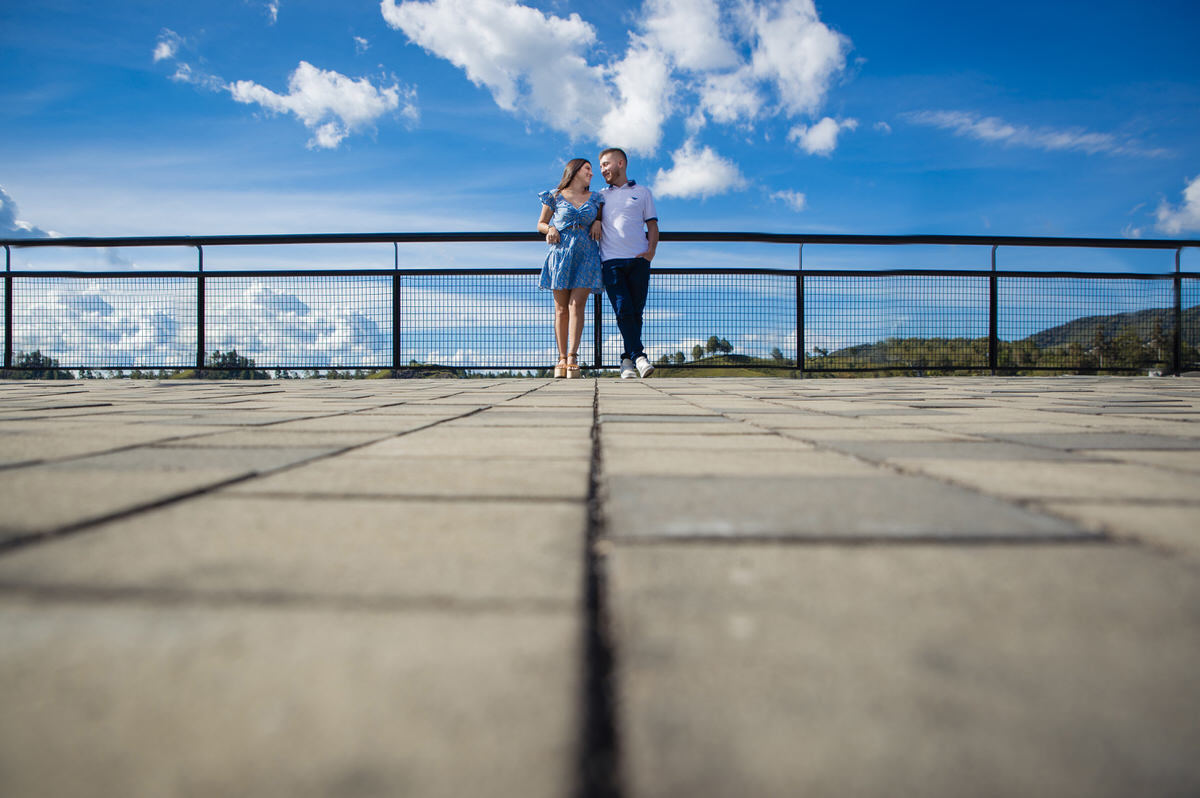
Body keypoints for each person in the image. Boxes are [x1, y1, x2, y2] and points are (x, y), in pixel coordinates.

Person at [537, 158, 604, 378]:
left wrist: (597, 222)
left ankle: (573, 357)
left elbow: (601, 218)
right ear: (574, 171)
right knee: (561, 309)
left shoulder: (596, 199)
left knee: (577, 306)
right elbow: (540, 224)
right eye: (587, 169)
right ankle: (561, 358)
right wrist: (551, 228)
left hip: (586, 255)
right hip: (560, 254)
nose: (592, 174)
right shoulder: (554, 195)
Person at [598, 147, 658, 379]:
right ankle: (640, 357)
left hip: (639, 260)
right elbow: (592, 220)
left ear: (620, 163)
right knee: (623, 309)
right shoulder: (600, 196)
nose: (602, 169)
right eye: (601, 165)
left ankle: (626, 361)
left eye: (606, 164)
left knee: (636, 313)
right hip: (611, 262)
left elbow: (652, 225)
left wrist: (650, 251)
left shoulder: (643, 192)